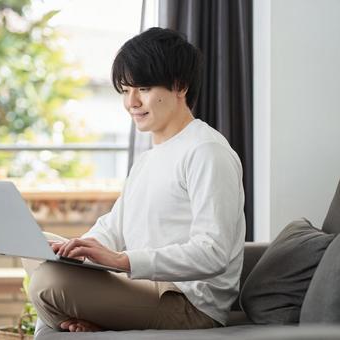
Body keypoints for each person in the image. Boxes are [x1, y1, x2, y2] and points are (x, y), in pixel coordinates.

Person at [25, 27, 246, 333]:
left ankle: (97, 321)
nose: (132, 102)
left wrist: (122, 261)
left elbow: (213, 252)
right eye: (125, 90)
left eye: (142, 88)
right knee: (42, 257)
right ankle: (94, 318)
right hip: (145, 287)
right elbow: (114, 226)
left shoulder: (206, 151)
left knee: (49, 283)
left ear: (179, 86)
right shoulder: (148, 159)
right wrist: (77, 250)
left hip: (188, 302)